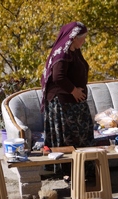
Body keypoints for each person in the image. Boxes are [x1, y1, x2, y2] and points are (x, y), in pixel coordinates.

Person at [40, 22, 95, 176]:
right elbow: (58, 77)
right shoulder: (62, 53)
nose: (84, 41)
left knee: (82, 136)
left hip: (74, 103)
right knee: (69, 139)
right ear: (73, 38)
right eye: (82, 38)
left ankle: (84, 171)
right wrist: (73, 91)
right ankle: (71, 173)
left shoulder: (74, 50)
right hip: (64, 104)